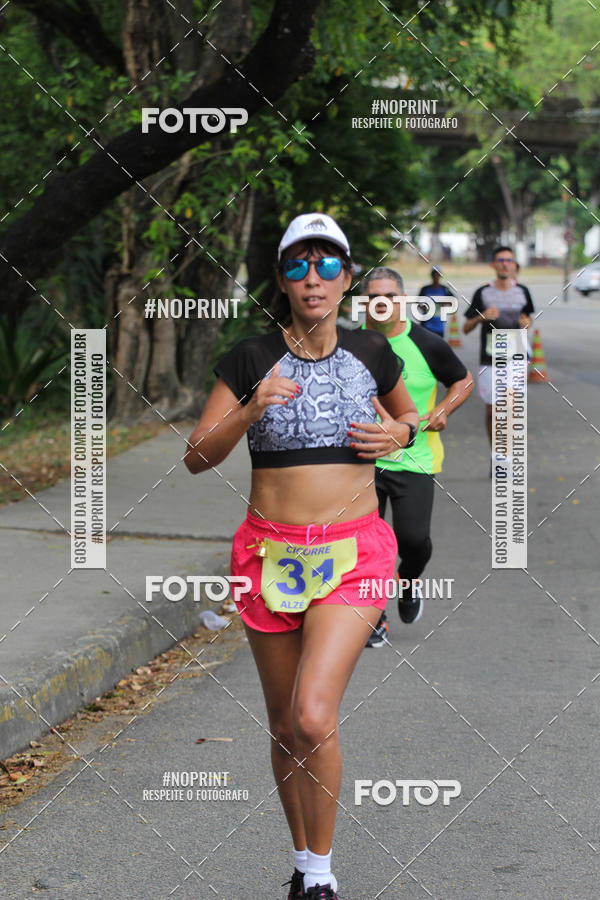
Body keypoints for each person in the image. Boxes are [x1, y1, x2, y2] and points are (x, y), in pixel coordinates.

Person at [184, 213, 419, 900]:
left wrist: (398, 431)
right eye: (296, 266)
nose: (311, 279)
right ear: (282, 280)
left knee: (316, 715)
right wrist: (251, 409)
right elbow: (198, 456)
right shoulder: (250, 359)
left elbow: (409, 420)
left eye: (326, 266)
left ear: (346, 278)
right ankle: (303, 864)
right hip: (270, 555)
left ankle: (323, 872)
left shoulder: (373, 354)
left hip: (354, 553)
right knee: (286, 724)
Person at [362, 268, 473, 645]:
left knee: (413, 540)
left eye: (390, 296)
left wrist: (445, 409)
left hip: (415, 457)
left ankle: (408, 582)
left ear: (403, 300)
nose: (382, 304)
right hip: (361, 460)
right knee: (367, 546)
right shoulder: (349, 345)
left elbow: (463, 380)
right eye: (374, 297)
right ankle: (374, 617)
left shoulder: (426, 343)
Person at [463, 246, 533, 472]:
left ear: (514, 265)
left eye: (509, 260)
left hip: (516, 358)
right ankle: (496, 454)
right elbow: (465, 328)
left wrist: (526, 325)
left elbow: (527, 320)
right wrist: (482, 318)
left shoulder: (523, 291)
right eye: (500, 260)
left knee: (510, 407)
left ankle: (506, 456)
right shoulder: (483, 292)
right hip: (490, 360)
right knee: (493, 410)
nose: (504, 264)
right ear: (493, 264)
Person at [417, 265, 455, 337]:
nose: (436, 276)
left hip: (439, 325)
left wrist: (443, 302)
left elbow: (453, 302)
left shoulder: (445, 289)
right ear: (431, 275)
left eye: (437, 274)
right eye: (434, 274)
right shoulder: (425, 289)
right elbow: (418, 302)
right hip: (426, 325)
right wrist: (424, 306)